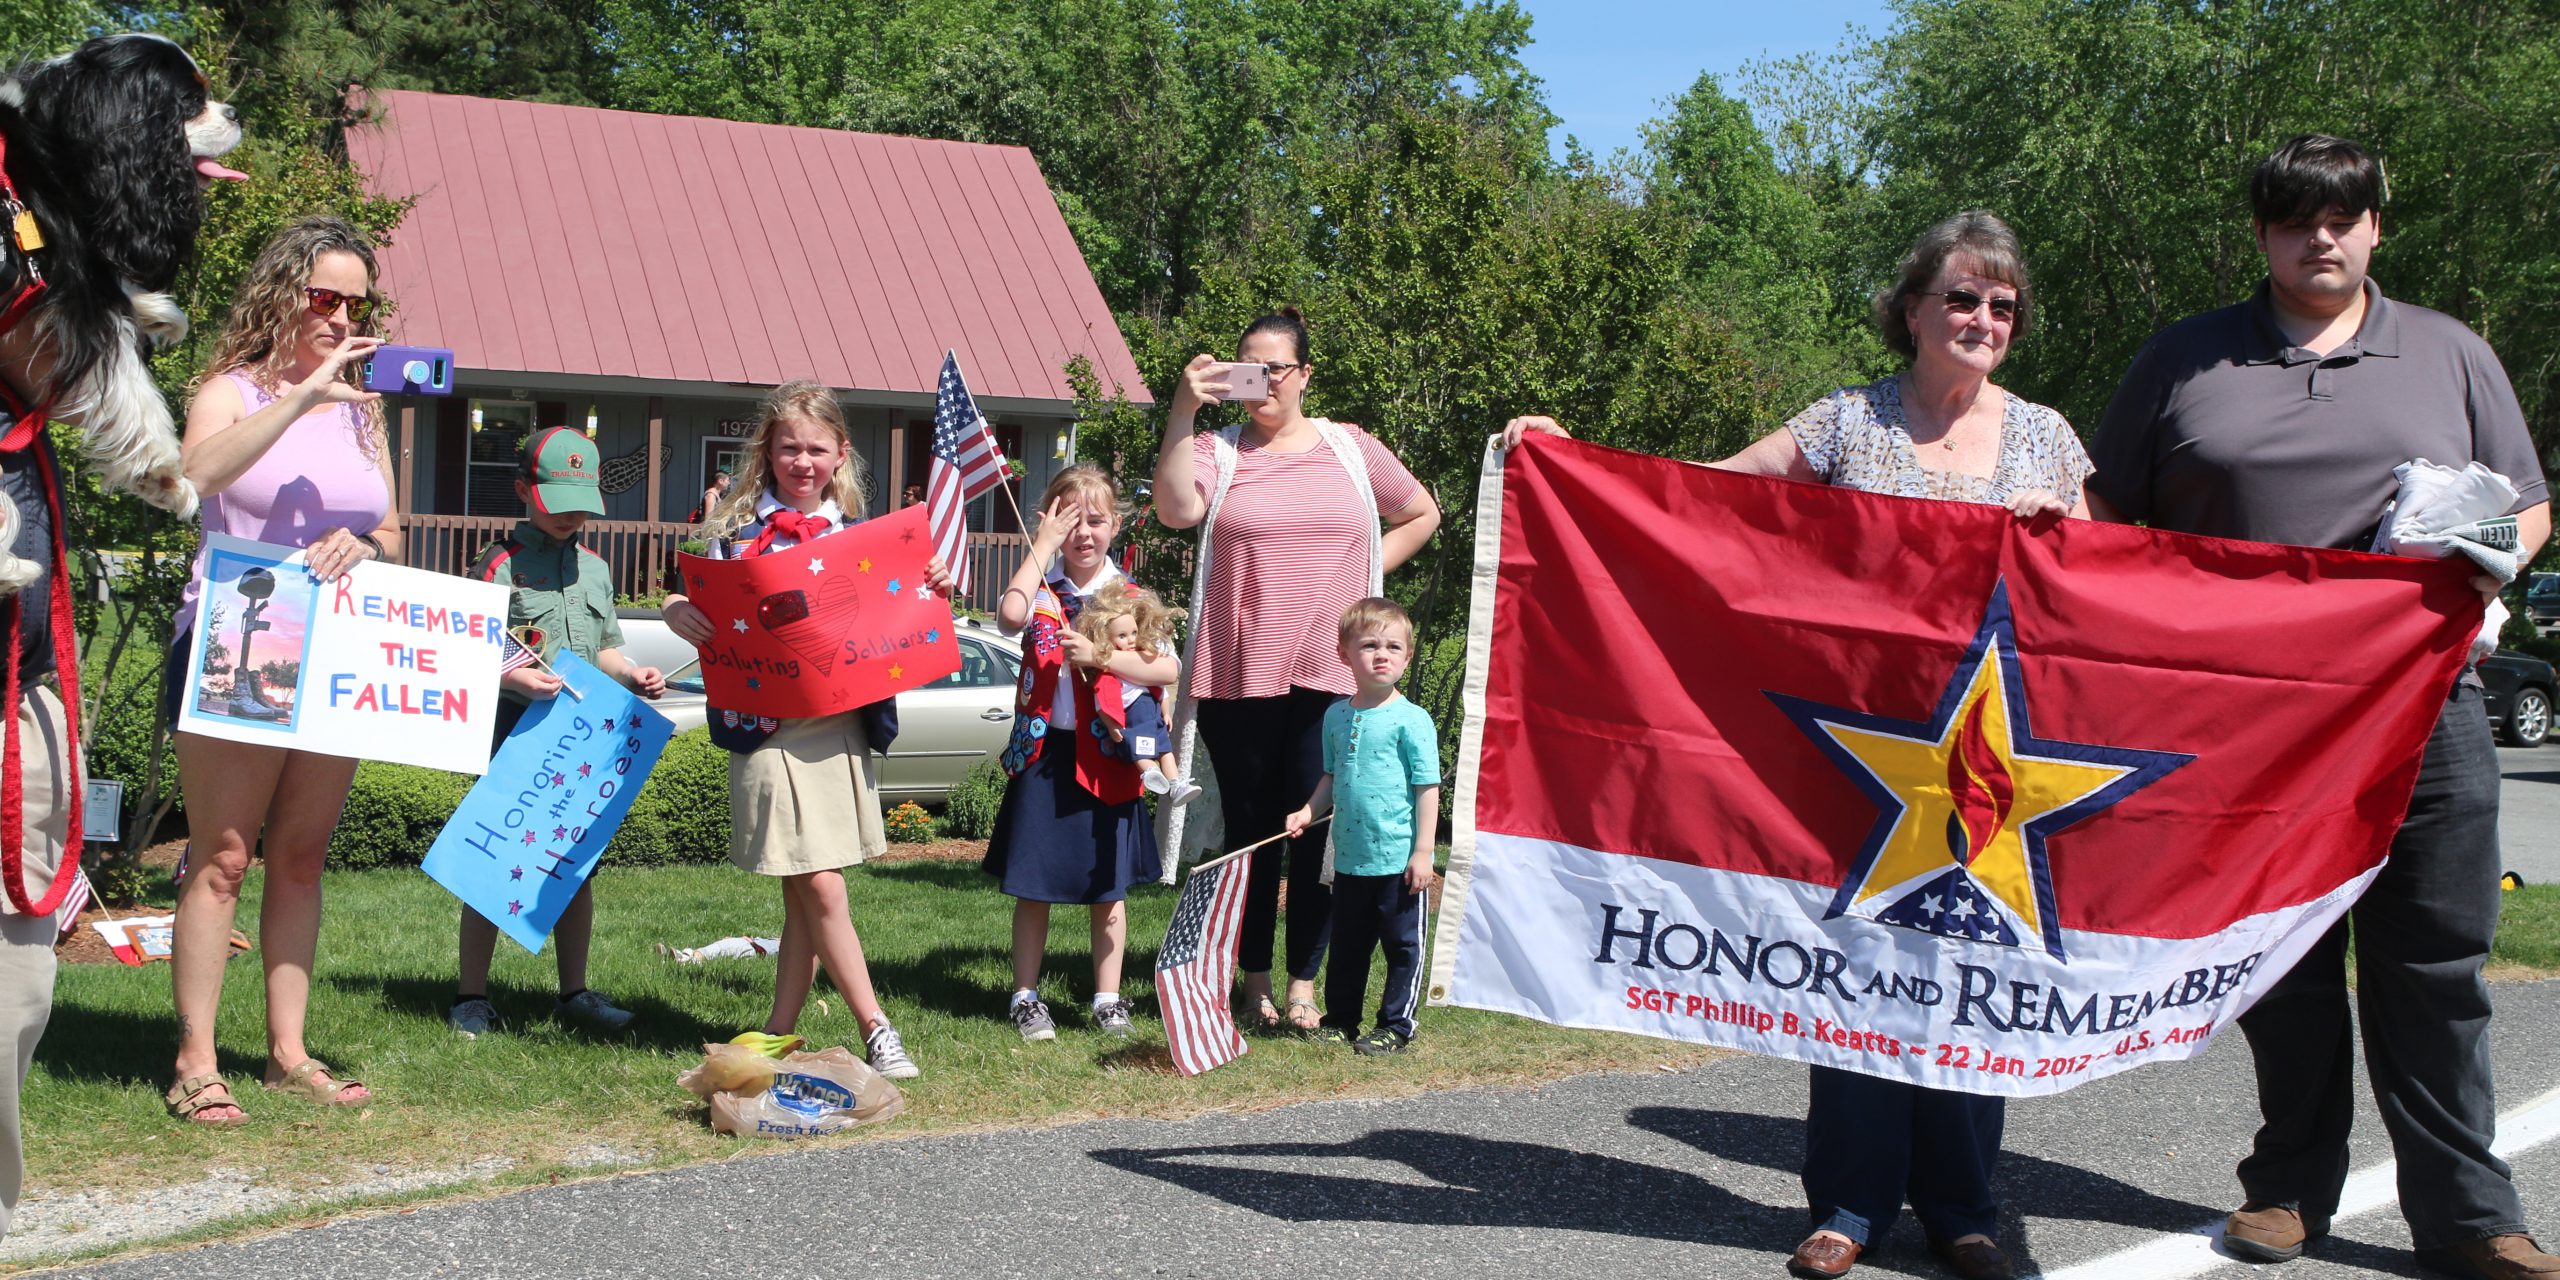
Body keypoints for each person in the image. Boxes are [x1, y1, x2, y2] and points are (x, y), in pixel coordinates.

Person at [1506, 211, 2082, 1280]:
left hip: (1986, 755)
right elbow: (1701, 496)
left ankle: (1963, 1208)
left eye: (2001, 303)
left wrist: (2067, 529)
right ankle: (1852, 1202)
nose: (1982, 318)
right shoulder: (1847, 421)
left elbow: (2100, 587)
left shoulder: (2047, 435)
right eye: (1961, 296)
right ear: (1911, 307)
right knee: (1855, 963)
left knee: (1968, 966)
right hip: (1860, 749)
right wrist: (1569, 461)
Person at [2088, 135, 2555, 1280]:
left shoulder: (2448, 351)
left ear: (2375, 226)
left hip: (2424, 712)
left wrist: (2484, 553)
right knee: (2282, 961)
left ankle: (2467, 1215)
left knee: (2434, 965)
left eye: (2344, 215)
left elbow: (2529, 508)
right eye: (2296, 217)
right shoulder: (2183, 359)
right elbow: (2103, 519)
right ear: (2261, 233)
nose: (2322, 235)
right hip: (2249, 726)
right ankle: (2288, 1188)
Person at [159, 216, 402, 1124]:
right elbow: (192, 474)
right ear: (284, 295)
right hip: (240, 635)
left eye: (356, 304)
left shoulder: (367, 411)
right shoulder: (230, 389)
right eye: (326, 298)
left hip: (337, 644)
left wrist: (363, 543)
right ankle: (195, 1059)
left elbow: (391, 528)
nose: (342, 319)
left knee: (299, 857)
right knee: (225, 857)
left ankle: (287, 1053)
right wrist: (301, 397)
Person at [1152, 307, 1441, 1033]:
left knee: (1316, 834)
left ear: (1305, 375)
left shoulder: (1351, 450)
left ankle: (1305, 982)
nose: (1261, 382)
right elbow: (1175, 508)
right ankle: (1252, 983)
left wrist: (1364, 588)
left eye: (1274, 368)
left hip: (1329, 674)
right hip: (1241, 669)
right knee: (1255, 833)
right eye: (1245, 368)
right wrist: (1185, 409)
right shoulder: (1219, 450)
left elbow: (1421, 514)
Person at [662, 379, 944, 1080]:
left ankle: (780, 1029)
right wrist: (674, 610)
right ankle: (877, 1026)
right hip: (765, 730)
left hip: (837, 725)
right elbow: (693, 593)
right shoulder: (731, 533)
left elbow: (900, 614)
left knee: (802, 888)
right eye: (789, 447)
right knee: (819, 883)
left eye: (817, 449)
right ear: (768, 451)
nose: (803, 461)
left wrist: (932, 581)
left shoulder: (860, 539)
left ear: (840, 453)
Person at [448, 427, 669, 1039]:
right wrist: (515, 681)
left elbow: (605, 650)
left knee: (575, 865)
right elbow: (472, 648)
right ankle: (472, 996)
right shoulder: (497, 564)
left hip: (581, 742)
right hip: (512, 736)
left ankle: (575, 993)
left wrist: (633, 674)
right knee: (492, 860)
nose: (573, 515)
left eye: (581, 503)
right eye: (559, 501)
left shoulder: (595, 568)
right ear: (523, 490)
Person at [984, 465, 1176, 1041]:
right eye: (1070, 520)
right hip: (1046, 752)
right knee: (1033, 884)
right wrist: (1040, 547)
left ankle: (1108, 997)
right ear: (1050, 522)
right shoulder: (1041, 589)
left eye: (1096, 519)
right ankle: (1025, 996)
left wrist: (1101, 657)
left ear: (1115, 524)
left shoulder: (1132, 598)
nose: (1084, 532)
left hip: (1111, 755)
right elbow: (1009, 616)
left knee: (1107, 885)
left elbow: (1167, 666)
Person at [1282, 597, 1441, 1055]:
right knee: (1348, 947)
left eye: (1393, 646)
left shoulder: (1412, 720)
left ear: (1407, 658)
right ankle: (1343, 1020)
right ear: (1344, 653)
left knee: (1401, 948)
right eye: (1369, 645)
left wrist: (1424, 853)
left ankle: (1396, 1024)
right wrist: (1308, 811)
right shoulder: (1336, 715)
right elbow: (1331, 776)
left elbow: (1426, 787)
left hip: (1398, 861)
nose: (1381, 654)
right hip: (1350, 859)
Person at [1072, 581, 1197, 804]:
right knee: (1142, 751)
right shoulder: (1109, 675)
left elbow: (1162, 691)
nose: (1130, 639)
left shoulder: (1139, 662)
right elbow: (1102, 702)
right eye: (1122, 636)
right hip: (1135, 718)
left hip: (1153, 714)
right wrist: (1111, 725)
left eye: (1133, 633)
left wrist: (1166, 713)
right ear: (1106, 639)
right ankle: (1149, 772)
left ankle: (1176, 784)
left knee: (1165, 750)